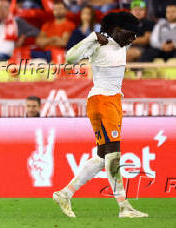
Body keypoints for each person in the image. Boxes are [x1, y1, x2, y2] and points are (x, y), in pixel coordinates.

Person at [54, 12, 148, 218]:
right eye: (130, 34)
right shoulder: (98, 45)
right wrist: (92, 36)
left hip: (111, 101)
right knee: (114, 154)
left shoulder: (123, 44)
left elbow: (130, 29)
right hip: (102, 101)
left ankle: (65, 193)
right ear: (116, 30)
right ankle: (124, 207)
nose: (133, 39)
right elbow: (69, 58)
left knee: (102, 156)